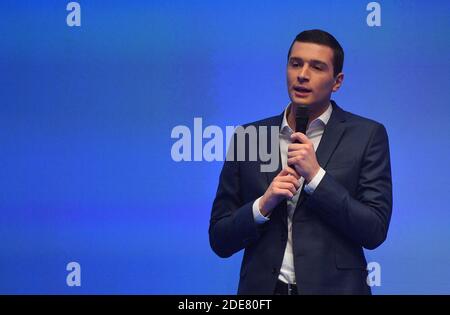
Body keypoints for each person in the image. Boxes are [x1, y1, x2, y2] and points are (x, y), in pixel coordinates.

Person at [209, 29, 392, 295]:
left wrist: (316, 177)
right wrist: (263, 204)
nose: (302, 74)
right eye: (296, 64)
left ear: (337, 81)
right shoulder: (250, 137)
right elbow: (220, 238)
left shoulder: (367, 135)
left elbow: (374, 230)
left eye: (317, 67)